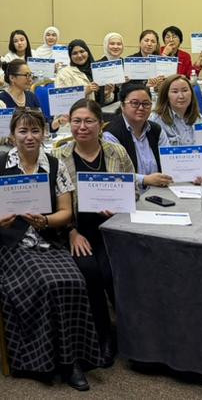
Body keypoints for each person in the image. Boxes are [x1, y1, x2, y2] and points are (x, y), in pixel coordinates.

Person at [0, 108, 102, 390]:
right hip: (11, 245)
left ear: (44, 133)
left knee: (73, 281)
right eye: (23, 131)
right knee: (47, 283)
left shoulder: (55, 165)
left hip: (48, 240)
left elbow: (65, 212)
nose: (30, 137)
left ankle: (72, 361)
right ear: (12, 135)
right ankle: (41, 359)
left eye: (35, 130)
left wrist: (46, 220)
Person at [52, 99, 133, 366]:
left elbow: (132, 188)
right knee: (89, 272)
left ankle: (131, 335)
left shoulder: (116, 152)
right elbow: (54, 203)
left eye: (89, 121)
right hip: (77, 231)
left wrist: (120, 208)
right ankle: (103, 336)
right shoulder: (59, 157)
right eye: (77, 121)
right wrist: (71, 231)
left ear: (101, 125)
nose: (82, 127)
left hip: (113, 228)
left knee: (112, 272)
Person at [102, 82, 173, 188]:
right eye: (135, 103)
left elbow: (169, 162)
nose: (141, 108)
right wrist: (145, 180)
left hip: (159, 191)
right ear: (122, 106)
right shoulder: (111, 134)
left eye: (146, 104)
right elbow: (114, 174)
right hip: (128, 192)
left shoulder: (156, 130)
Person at [54, 40, 114, 124]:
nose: (79, 55)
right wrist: (85, 92)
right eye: (74, 53)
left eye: (82, 51)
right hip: (77, 120)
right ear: (70, 56)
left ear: (88, 52)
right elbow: (61, 103)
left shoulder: (97, 70)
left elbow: (104, 101)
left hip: (99, 117)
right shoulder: (64, 74)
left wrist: (107, 93)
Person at [151, 74, 202, 146]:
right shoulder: (156, 120)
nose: (181, 96)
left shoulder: (198, 117)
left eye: (185, 90)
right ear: (166, 95)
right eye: (175, 92)